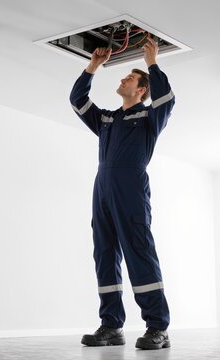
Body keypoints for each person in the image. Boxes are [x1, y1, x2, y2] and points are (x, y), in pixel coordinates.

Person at [69, 36, 175, 350]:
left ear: (141, 89)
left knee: (138, 254)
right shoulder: (106, 119)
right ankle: (111, 325)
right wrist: (92, 66)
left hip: (130, 190)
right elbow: (78, 100)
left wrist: (152, 63)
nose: (123, 79)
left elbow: (166, 99)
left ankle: (158, 327)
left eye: (129, 78)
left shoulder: (148, 118)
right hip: (101, 191)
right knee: (104, 255)